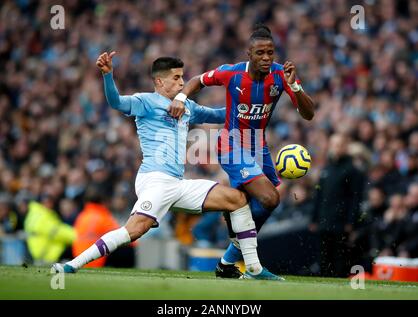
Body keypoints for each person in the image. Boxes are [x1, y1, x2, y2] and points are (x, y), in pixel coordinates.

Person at [53, 52, 282, 280]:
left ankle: (253, 268)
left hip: (177, 183)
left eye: (183, 77)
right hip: (155, 180)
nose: (182, 82)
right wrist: (107, 76)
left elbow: (219, 115)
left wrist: (255, 107)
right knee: (134, 230)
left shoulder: (188, 106)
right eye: (176, 78)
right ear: (160, 81)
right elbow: (116, 102)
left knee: (237, 200)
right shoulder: (145, 102)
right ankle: (72, 265)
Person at [168, 24, 315, 278]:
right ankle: (250, 260)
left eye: (270, 52)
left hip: (258, 146)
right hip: (231, 143)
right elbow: (197, 81)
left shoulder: (282, 75)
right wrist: (180, 99)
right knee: (270, 198)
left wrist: (296, 87)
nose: (267, 58)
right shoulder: (231, 73)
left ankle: (227, 259)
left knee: (256, 203)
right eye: (260, 53)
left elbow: (309, 114)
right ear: (249, 54)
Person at [309, 133, 366, 277]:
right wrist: (314, 218)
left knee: (339, 257)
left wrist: (351, 221)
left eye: (339, 145)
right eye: (334, 144)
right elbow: (319, 196)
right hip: (324, 220)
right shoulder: (326, 168)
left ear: (346, 147)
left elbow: (356, 198)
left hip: (340, 222)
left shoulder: (353, 170)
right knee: (323, 256)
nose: (336, 148)